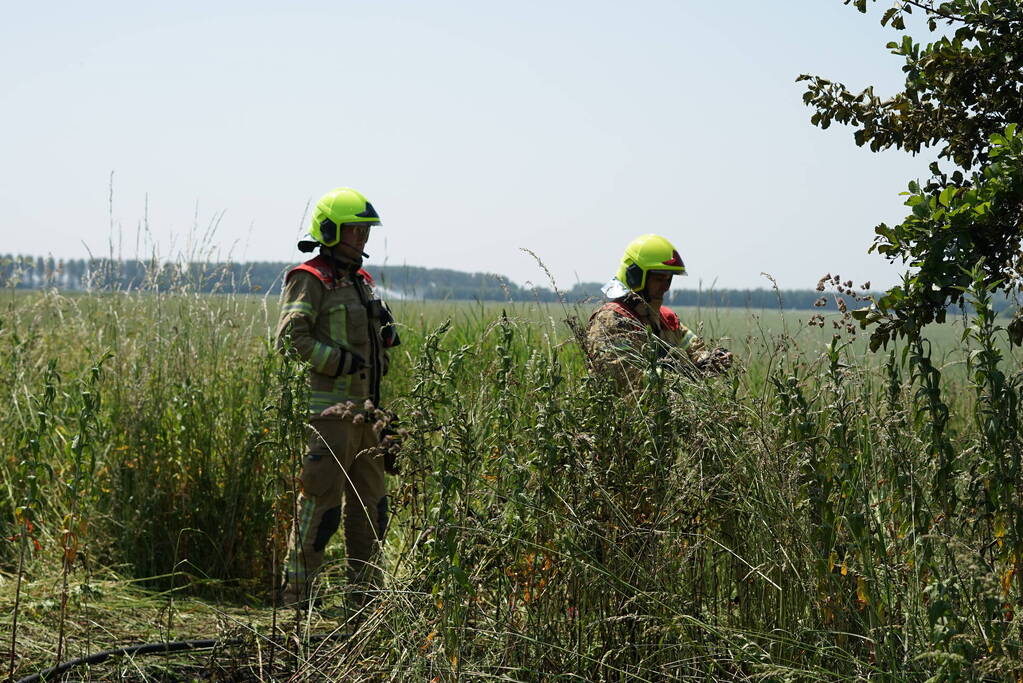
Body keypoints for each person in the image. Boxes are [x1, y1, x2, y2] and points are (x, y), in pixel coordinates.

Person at [275, 187, 401, 608]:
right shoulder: (309, 278)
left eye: (365, 231)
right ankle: (296, 602)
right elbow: (291, 340)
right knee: (320, 508)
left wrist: (384, 336)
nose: (361, 239)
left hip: (368, 416)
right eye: (353, 230)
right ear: (329, 230)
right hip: (329, 415)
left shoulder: (362, 281)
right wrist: (339, 361)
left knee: (372, 510)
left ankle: (362, 604)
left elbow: (375, 340)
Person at [586, 233, 732, 390]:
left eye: (668, 279)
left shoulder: (666, 319)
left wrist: (711, 360)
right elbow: (624, 378)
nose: (666, 287)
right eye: (659, 279)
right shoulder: (612, 319)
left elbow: (696, 352)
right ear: (635, 276)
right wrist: (684, 374)